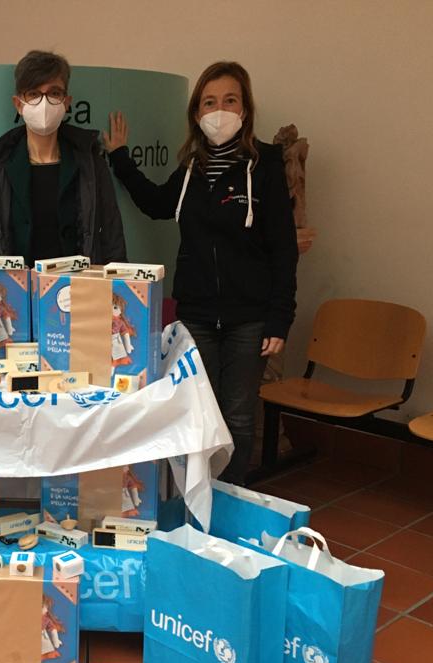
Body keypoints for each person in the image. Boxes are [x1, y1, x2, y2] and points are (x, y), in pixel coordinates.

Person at [104, 61, 298, 485]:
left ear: (245, 108)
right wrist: (120, 157)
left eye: (229, 100)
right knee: (199, 413)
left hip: (249, 318)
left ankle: (229, 498)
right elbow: (157, 203)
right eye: (209, 102)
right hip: (197, 315)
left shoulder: (265, 165)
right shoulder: (192, 167)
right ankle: (199, 496)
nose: (219, 110)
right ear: (196, 112)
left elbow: (284, 247)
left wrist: (280, 318)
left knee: (238, 417)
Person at [0, 50, 126, 266]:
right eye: (33, 94)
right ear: (18, 104)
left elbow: (113, 242)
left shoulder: (90, 164)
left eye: (54, 93)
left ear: (66, 102)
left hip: (77, 286)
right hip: (11, 288)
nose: (44, 103)